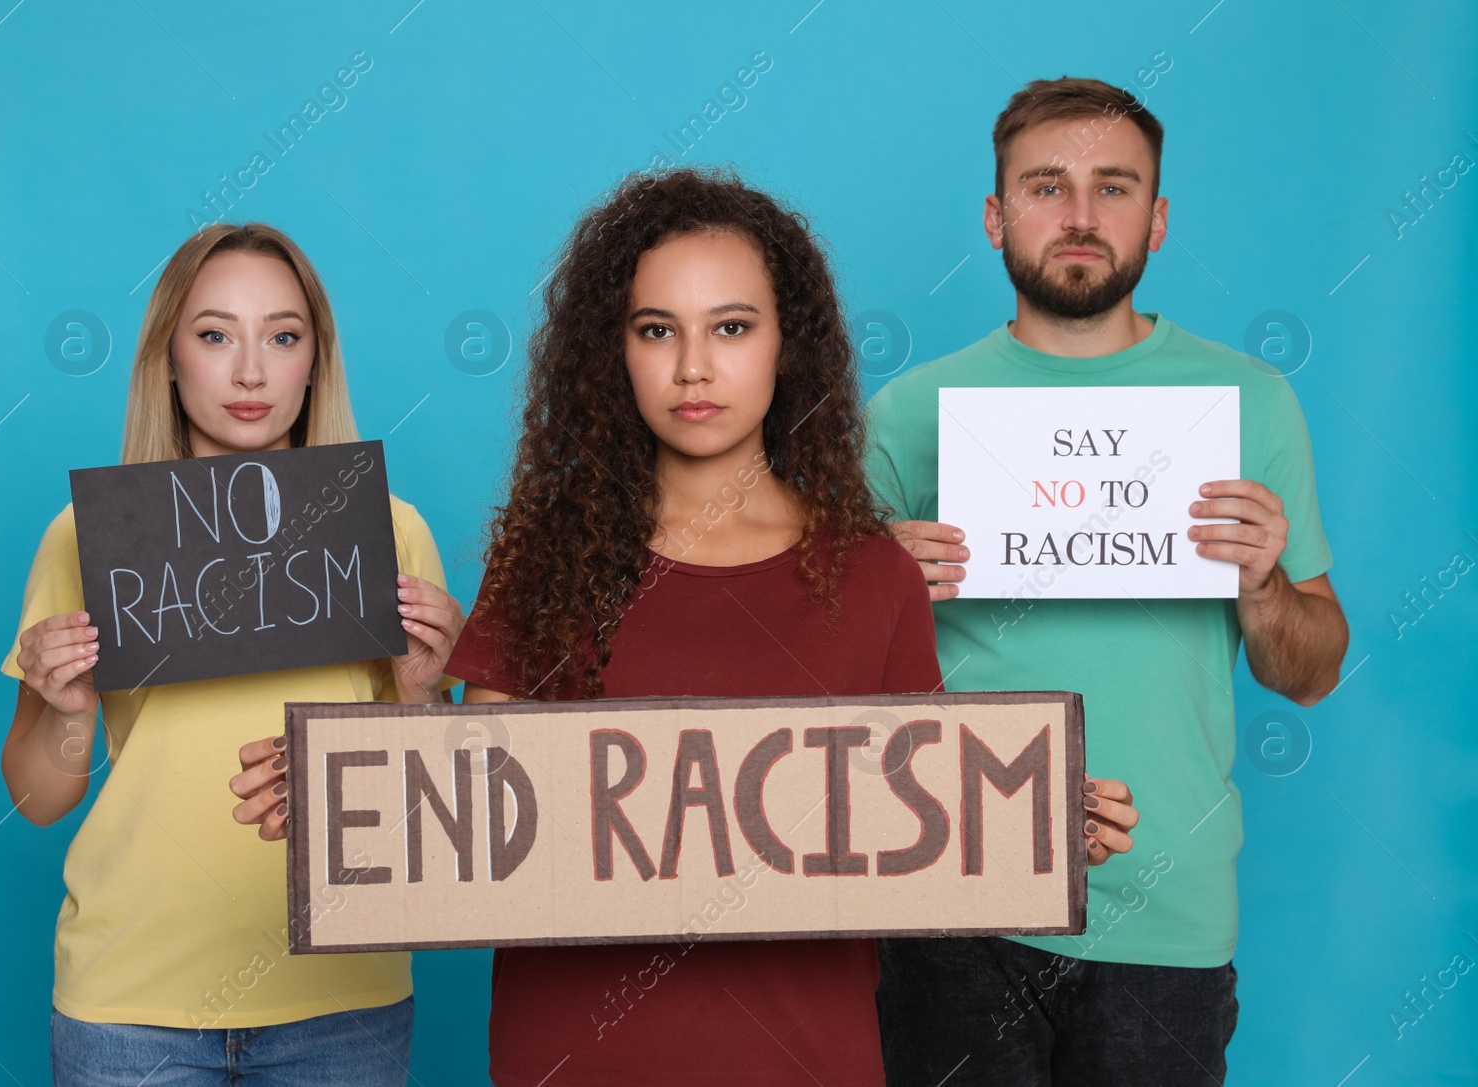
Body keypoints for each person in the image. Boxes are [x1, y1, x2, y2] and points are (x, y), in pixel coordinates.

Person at [435, 165, 1136, 1086]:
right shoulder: (541, 566)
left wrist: (1033, 824)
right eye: (658, 330)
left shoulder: (876, 575)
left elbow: (918, 831)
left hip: (806, 1058)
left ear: (785, 346)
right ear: (615, 353)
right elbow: (485, 832)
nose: (695, 366)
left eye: (731, 326)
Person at [867, 77, 1350, 1085]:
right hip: (955, 894)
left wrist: (1262, 585)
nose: (1081, 216)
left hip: (1164, 919)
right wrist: (881, 594)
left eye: (1114, 187)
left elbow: (1309, 674)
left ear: (1157, 219)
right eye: (1046, 187)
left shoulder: (1249, 403)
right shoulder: (908, 413)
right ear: (995, 217)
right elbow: (829, 697)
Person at [1, 222, 465, 1086]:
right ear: (167, 359)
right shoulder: (88, 541)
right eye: (215, 335)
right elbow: (35, 798)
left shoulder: (390, 533)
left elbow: (434, 819)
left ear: (314, 361)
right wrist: (68, 714)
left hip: (341, 998)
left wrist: (419, 693)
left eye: (282, 337)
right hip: (130, 1005)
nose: (250, 371)